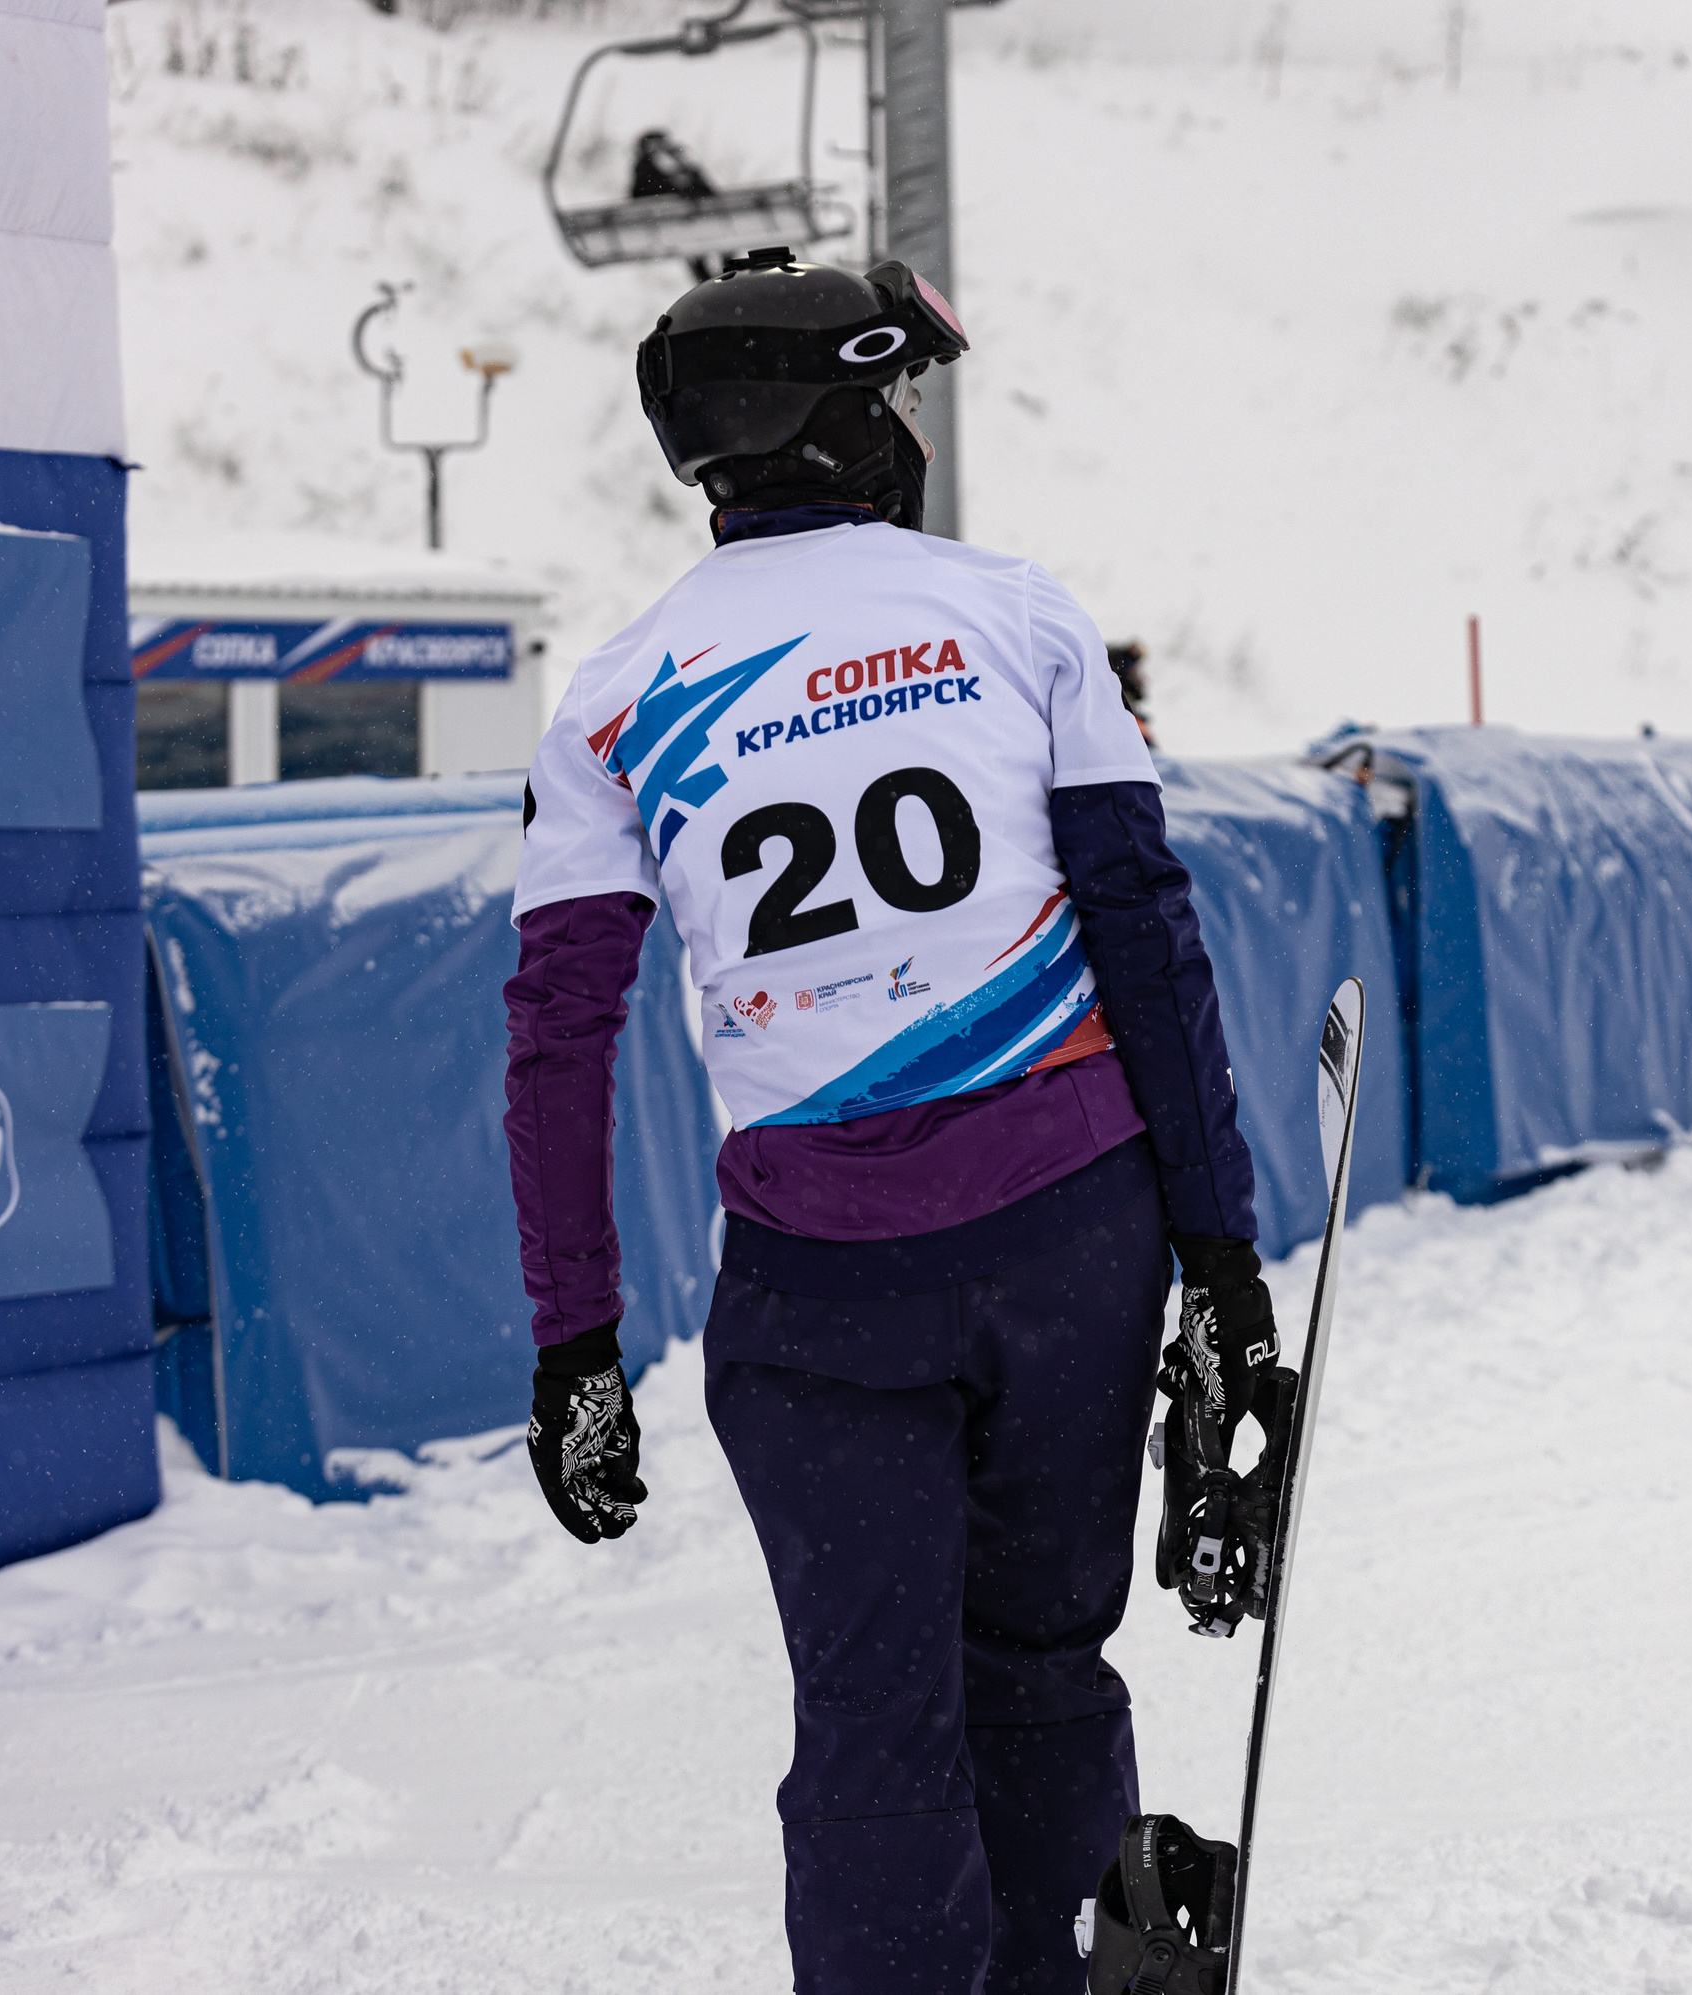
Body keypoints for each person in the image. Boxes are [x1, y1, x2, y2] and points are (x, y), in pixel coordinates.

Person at [502, 248, 1281, 1995]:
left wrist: (575, 1345)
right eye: (901, 397)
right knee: (1043, 1664)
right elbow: (1148, 937)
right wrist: (1219, 1252)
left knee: (873, 1726)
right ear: (855, 421)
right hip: (1076, 1235)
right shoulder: (1016, 612)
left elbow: (558, 1041)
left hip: (824, 1290)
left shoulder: (613, 696)